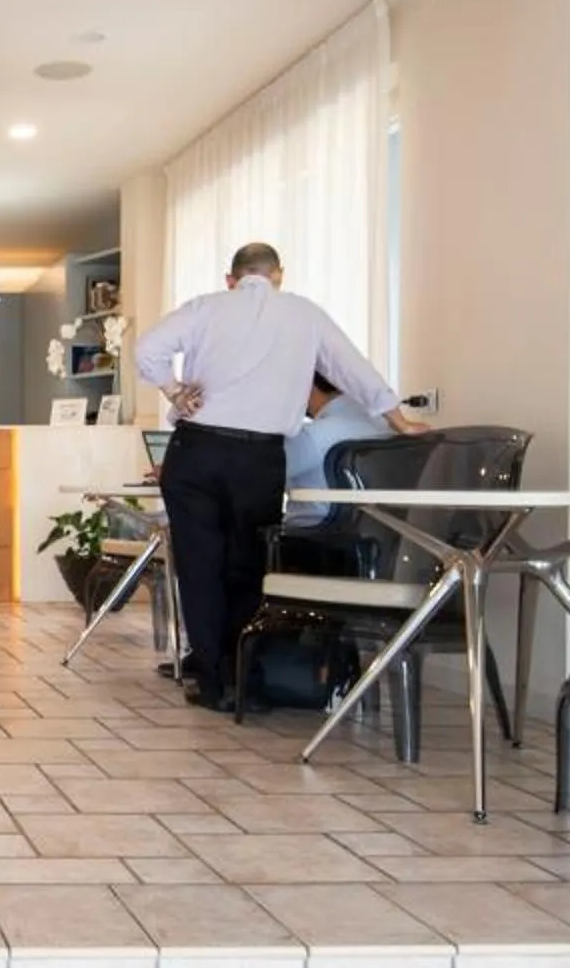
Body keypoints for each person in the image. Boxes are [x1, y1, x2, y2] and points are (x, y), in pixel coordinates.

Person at [129, 241, 415, 710]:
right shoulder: (304, 314)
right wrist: (399, 420)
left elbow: (148, 349)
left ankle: (212, 679)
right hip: (259, 457)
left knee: (200, 567)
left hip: (196, 449)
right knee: (246, 566)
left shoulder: (207, 307)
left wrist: (175, 391)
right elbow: (350, 367)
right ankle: (242, 676)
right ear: (279, 275)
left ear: (232, 278)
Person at [282, 375, 393, 527]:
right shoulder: (385, 425)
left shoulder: (312, 437)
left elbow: (259, 477)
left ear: (308, 385)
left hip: (306, 540)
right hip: (379, 538)